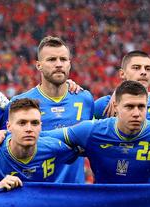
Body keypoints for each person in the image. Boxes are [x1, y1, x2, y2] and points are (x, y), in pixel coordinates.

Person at [9, 36, 94, 183]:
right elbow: (5, 142)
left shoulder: (84, 99)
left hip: (74, 193)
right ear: (38, 65)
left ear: (69, 63)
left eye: (63, 59)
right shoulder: (19, 103)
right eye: (51, 60)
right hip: (37, 192)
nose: (59, 64)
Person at [93, 50, 150, 182]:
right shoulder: (104, 105)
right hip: (113, 190)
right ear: (122, 73)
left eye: (148, 68)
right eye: (136, 68)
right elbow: (81, 140)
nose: (143, 72)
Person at [0, 98, 79, 190]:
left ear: (41, 126)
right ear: (8, 127)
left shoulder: (54, 148)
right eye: (22, 123)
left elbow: (85, 146)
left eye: (35, 123)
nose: (29, 129)